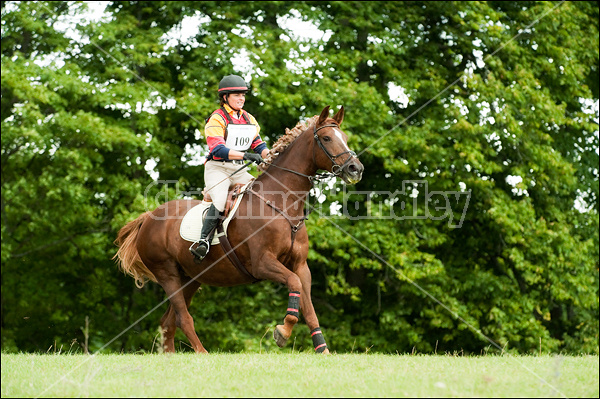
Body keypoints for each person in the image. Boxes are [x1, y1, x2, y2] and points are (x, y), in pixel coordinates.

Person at [190, 74, 269, 261]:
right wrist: (246, 155)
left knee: (262, 193)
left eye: (243, 95)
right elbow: (218, 148)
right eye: (236, 95)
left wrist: (273, 156)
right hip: (217, 168)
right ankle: (203, 242)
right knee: (219, 201)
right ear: (225, 97)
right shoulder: (217, 118)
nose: (241, 98)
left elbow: (259, 146)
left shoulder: (249, 118)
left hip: (239, 169)